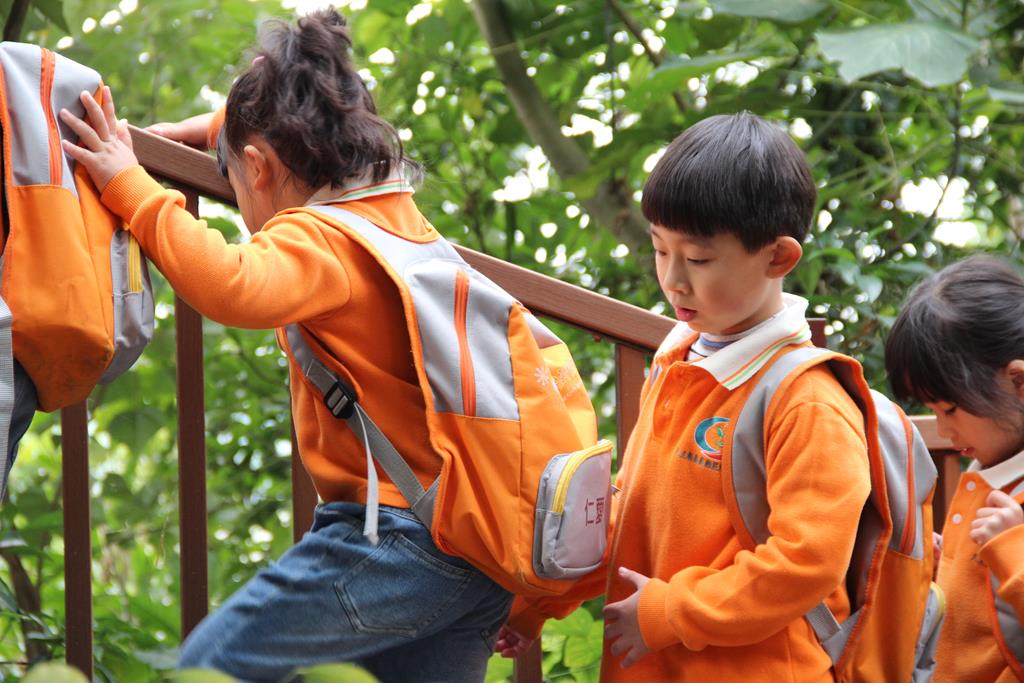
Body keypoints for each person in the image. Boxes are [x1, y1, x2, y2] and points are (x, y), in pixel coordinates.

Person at [58, 9, 513, 682]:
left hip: (398, 543)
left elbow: (232, 284)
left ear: (259, 166)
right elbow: (266, 142)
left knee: (213, 664)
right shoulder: (390, 218)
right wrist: (209, 130)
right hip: (474, 552)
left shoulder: (321, 238)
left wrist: (133, 184)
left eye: (236, 174)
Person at [496, 112, 872, 681]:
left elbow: (806, 563)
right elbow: (631, 519)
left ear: (778, 258)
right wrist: (537, 606)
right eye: (659, 249)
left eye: (697, 259)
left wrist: (671, 612)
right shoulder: (679, 361)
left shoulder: (807, 400)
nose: (673, 279)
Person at [886, 255, 1024, 682]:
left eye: (949, 409)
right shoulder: (989, 473)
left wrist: (1015, 549)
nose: (944, 430)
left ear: (1018, 382)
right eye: (932, 411)